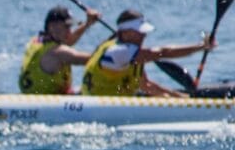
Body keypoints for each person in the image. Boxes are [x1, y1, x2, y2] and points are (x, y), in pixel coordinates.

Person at [81, 9, 210, 99]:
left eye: (143, 32)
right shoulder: (119, 52)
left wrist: (180, 98)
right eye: (139, 32)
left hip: (113, 105)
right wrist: (201, 46)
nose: (143, 35)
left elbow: (146, 85)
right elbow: (163, 52)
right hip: (97, 104)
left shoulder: (132, 55)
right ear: (125, 33)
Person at [18, 5, 102, 95]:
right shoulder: (57, 52)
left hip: (34, 98)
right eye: (66, 27)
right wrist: (111, 46)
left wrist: (87, 24)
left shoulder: (38, 41)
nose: (69, 31)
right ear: (52, 27)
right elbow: (91, 60)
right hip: (49, 103)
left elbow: (69, 40)